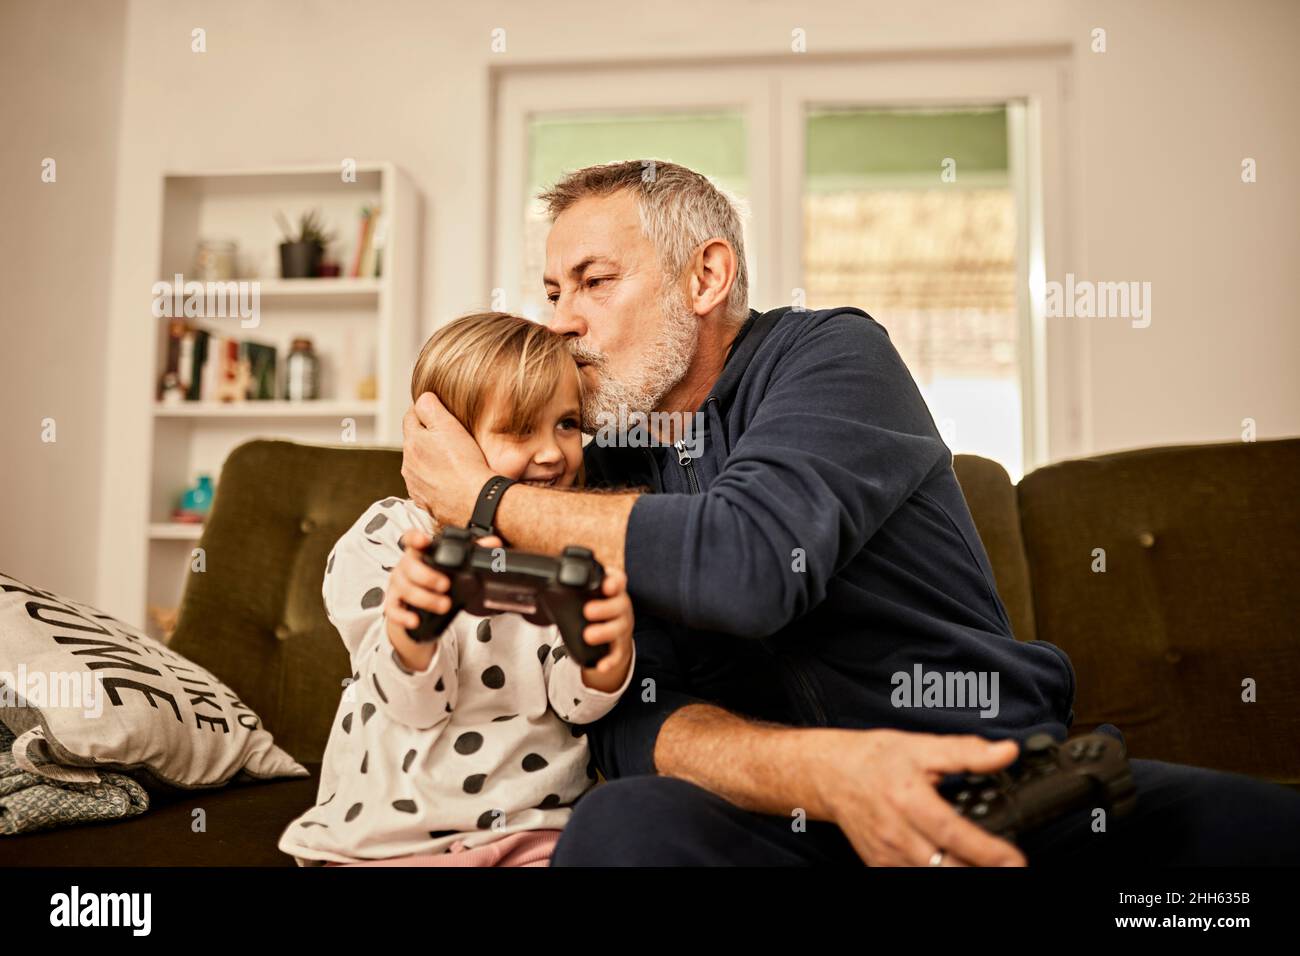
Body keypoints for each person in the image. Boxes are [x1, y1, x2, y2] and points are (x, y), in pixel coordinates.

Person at [400, 160, 1300, 866]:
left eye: (594, 281)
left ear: (707, 274)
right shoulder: (593, 462)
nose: (561, 321)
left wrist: (487, 500)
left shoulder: (833, 357)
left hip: (997, 788)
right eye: (553, 293)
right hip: (784, 821)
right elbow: (635, 717)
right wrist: (832, 777)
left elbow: (749, 563)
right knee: (622, 825)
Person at [279, 312, 635, 867]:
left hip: (534, 829)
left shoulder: (563, 546)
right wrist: (412, 634)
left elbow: (576, 703)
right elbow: (413, 702)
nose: (551, 452)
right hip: (394, 841)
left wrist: (604, 654)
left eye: (566, 423)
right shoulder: (389, 538)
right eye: (520, 428)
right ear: (448, 443)